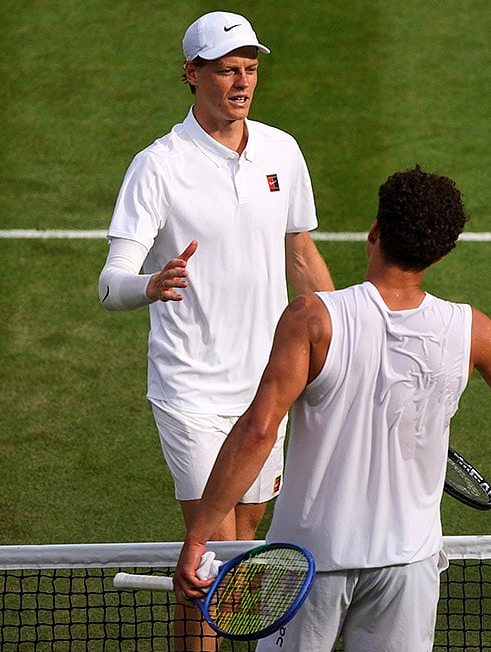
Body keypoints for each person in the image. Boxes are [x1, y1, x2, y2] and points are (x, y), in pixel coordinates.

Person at [172, 166, 491, 652]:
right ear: (442, 252)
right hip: (407, 565)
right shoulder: (471, 330)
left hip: (308, 561)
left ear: (375, 231)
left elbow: (259, 431)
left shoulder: (311, 319)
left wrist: (199, 536)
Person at [98, 10, 332, 543]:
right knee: (219, 546)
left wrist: (349, 333)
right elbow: (111, 285)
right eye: (228, 69)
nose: (243, 81)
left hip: (267, 387)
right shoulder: (157, 166)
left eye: (249, 68)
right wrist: (151, 284)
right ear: (192, 73)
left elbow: (300, 254)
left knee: (236, 554)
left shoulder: (282, 151)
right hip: (191, 391)